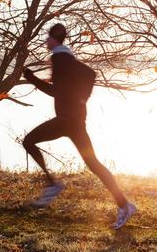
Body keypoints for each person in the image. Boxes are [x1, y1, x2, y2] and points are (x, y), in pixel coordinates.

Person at [22, 23, 136, 230]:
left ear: (55, 39)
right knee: (93, 164)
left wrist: (32, 79)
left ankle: (53, 184)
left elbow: (69, 84)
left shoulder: (61, 59)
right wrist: (81, 99)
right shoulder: (64, 58)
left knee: (29, 141)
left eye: (48, 37)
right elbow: (78, 80)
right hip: (73, 122)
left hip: (67, 121)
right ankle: (124, 204)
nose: (46, 40)